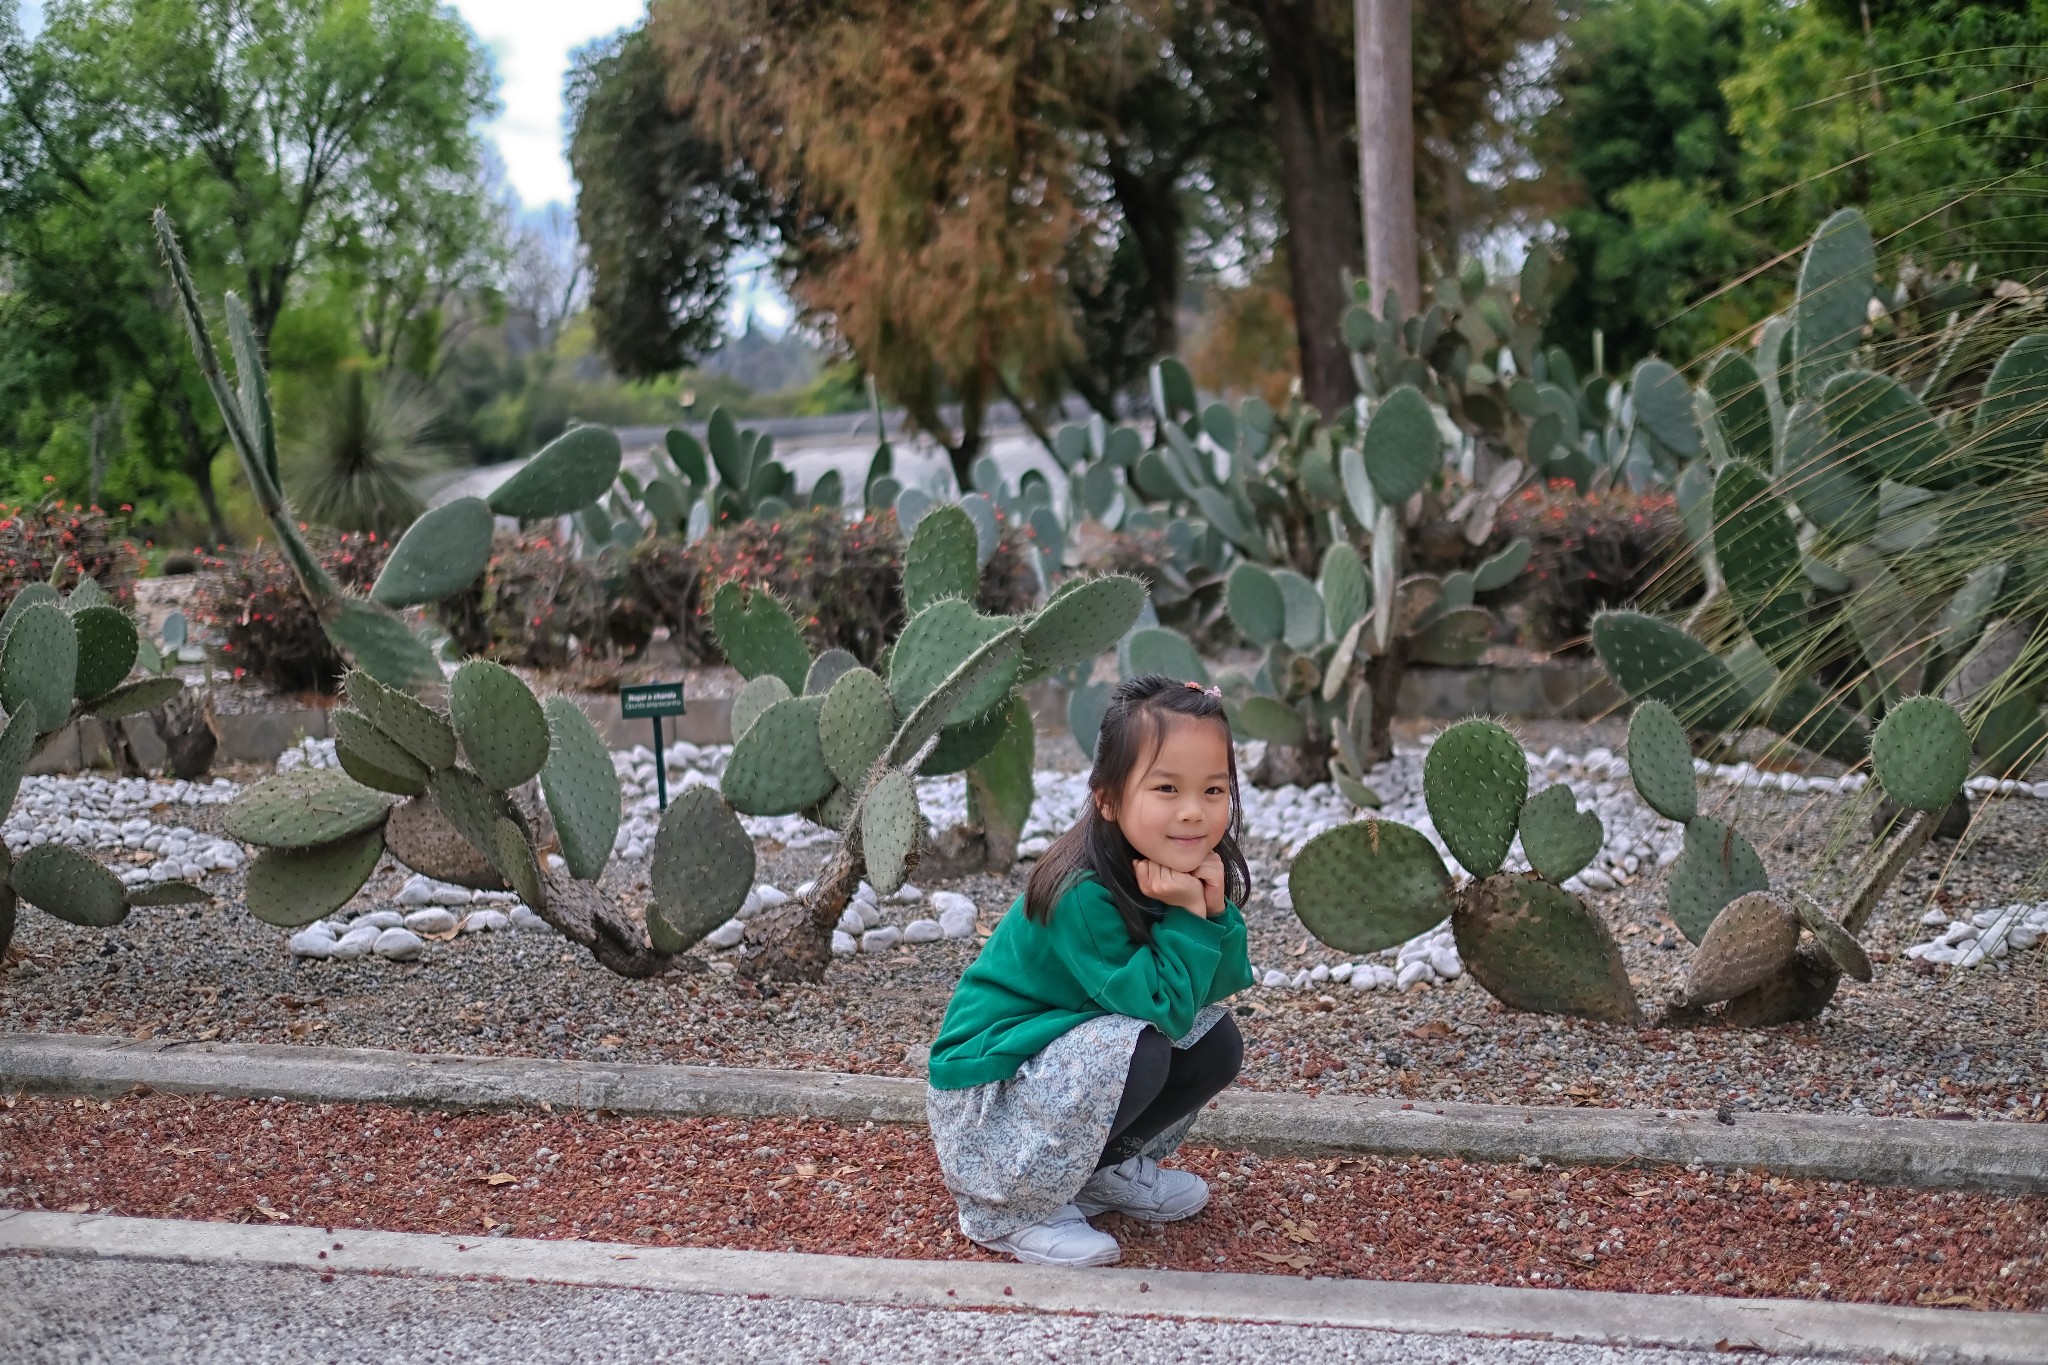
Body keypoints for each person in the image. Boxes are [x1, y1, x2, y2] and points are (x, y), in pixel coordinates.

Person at [925, 674, 1255, 1267]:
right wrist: (1186, 916)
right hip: (988, 1102)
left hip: (1051, 1070)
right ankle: (1010, 1210)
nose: (1194, 812)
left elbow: (1218, 982)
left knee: (1215, 1041)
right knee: (1144, 1044)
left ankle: (1095, 1172)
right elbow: (1158, 1007)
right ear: (1106, 797)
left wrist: (1207, 908)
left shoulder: (1165, 863)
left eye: (1213, 789)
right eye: (1166, 788)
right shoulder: (1083, 890)